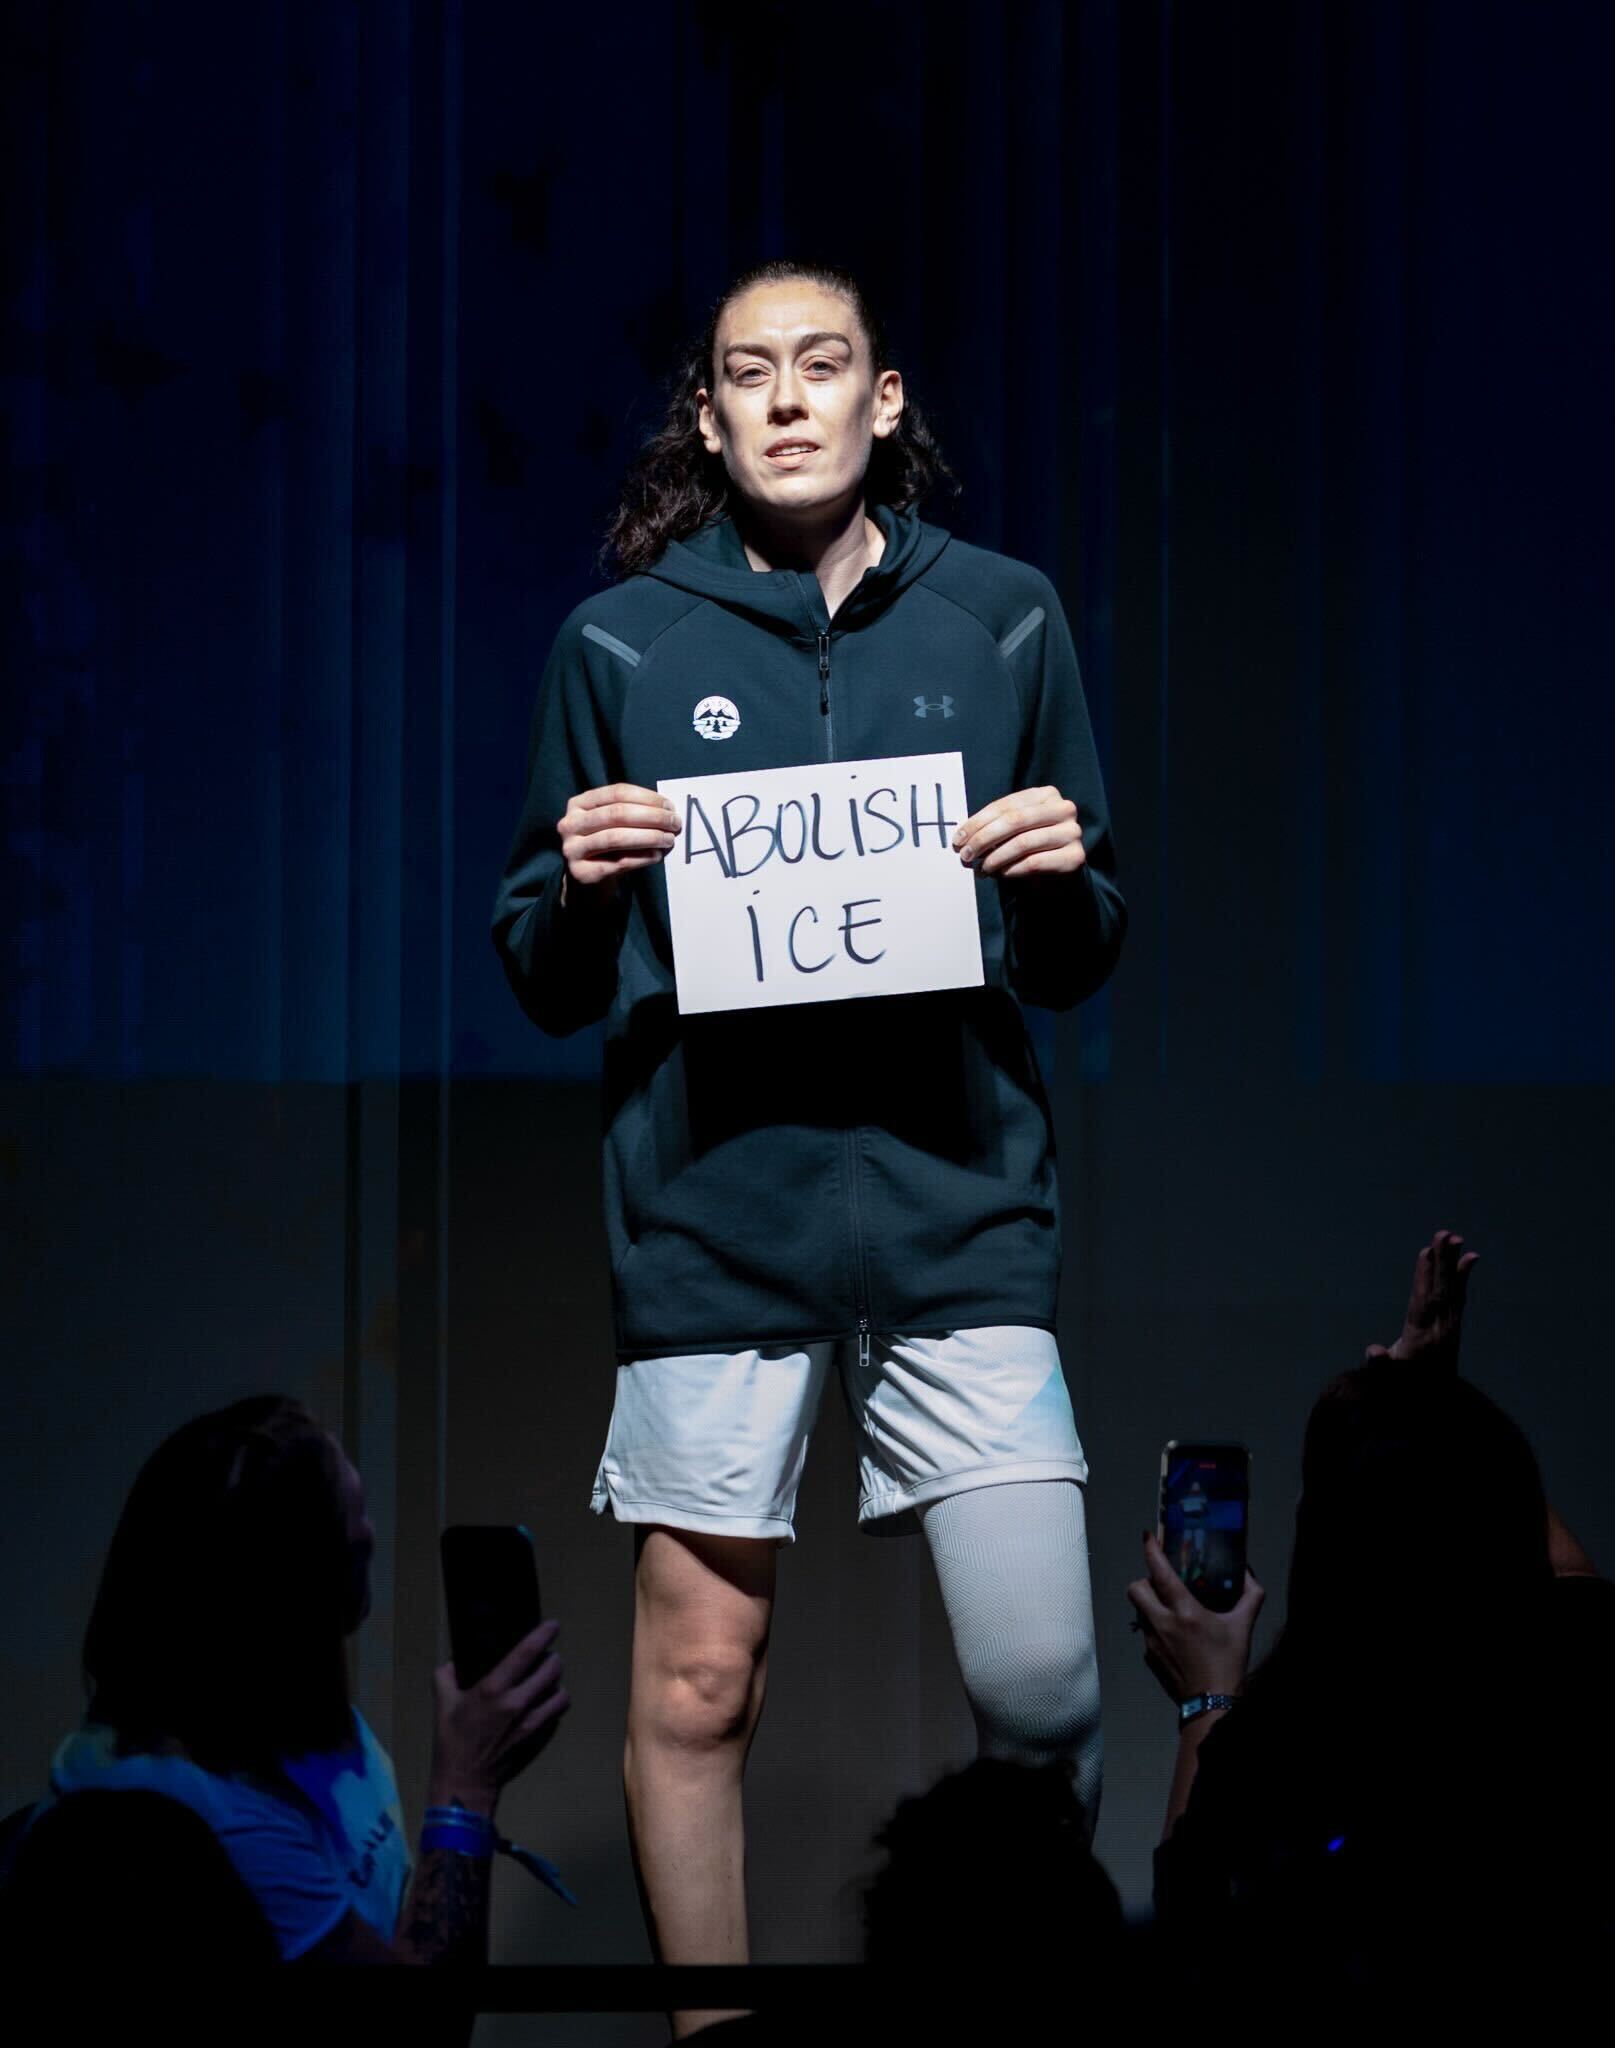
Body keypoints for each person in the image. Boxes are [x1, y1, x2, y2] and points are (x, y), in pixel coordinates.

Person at [492, 258, 1126, 2030]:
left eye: (821, 363)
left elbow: (1081, 949)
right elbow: (539, 969)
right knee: (696, 1686)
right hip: (713, 1221)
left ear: (882, 397)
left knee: (1044, 1685)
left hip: (958, 1211)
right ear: (705, 417)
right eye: (747, 373)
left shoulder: (1004, 618)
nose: (785, 398)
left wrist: (1058, 876)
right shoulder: (619, 643)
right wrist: (579, 883)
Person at [1126, 1231, 1615, 2038]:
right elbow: (1554, 1565)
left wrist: (1206, 1699)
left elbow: (1192, 1947)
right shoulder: (1597, 1674)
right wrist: (1434, 1413)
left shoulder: (1284, 1756)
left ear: (1324, 1545)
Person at [21, 1396, 569, 1978]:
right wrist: (466, 1787)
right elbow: (420, 2024)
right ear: (296, 1600)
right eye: (352, 1523)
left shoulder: (268, 1706)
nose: (371, 1533)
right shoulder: (194, 1826)